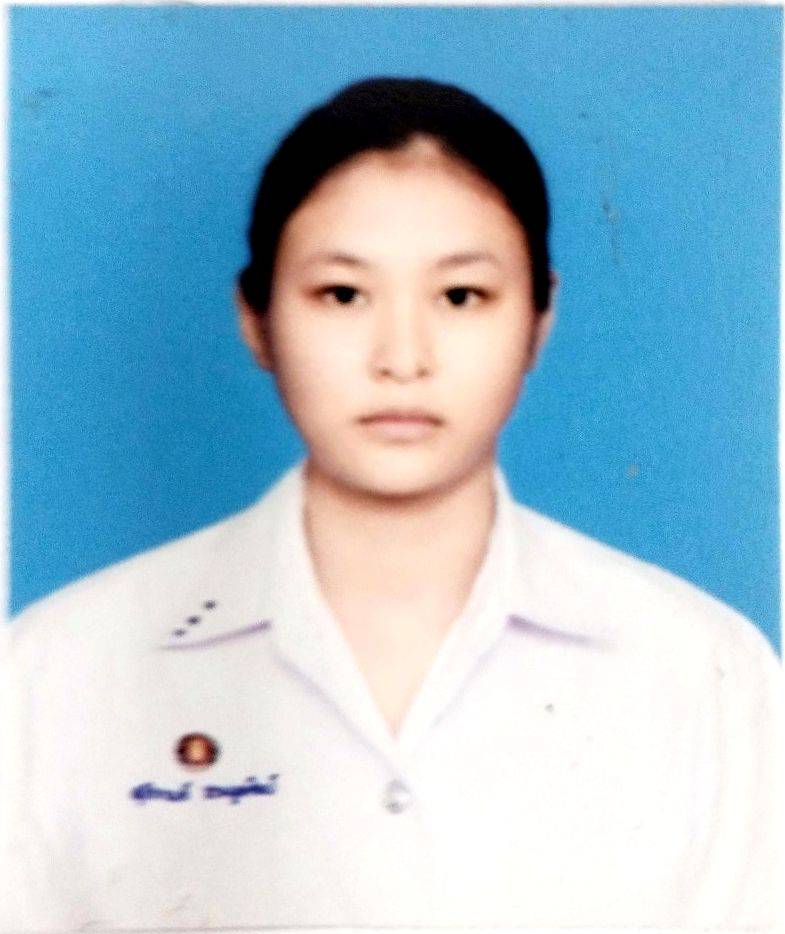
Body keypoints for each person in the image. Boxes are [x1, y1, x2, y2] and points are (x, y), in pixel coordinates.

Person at [1, 76, 781, 931]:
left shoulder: (701, 674)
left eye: (460, 296)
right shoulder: (60, 671)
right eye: (342, 295)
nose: (402, 357)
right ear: (256, 319)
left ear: (539, 319)